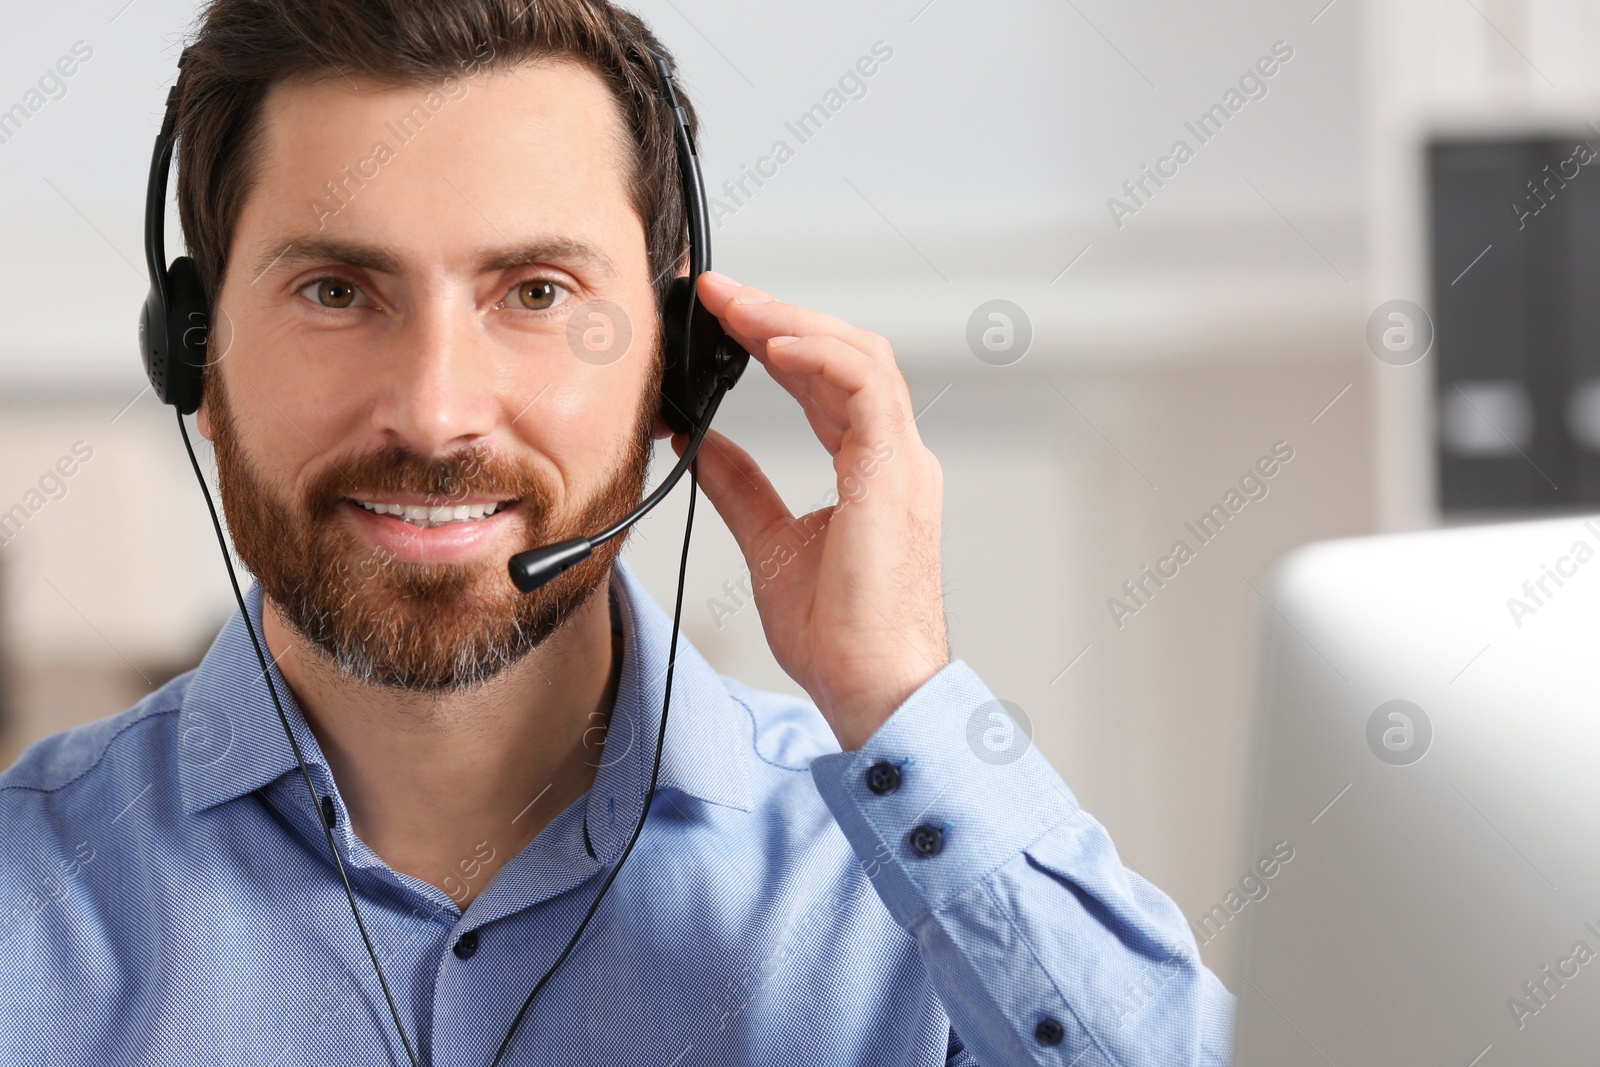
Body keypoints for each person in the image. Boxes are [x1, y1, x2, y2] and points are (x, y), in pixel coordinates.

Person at [0, 1, 1234, 1063]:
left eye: (535, 293)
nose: (436, 411)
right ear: (195, 356)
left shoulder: (909, 880)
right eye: (335, 291)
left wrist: (901, 695)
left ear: (676, 365)